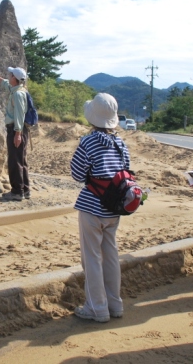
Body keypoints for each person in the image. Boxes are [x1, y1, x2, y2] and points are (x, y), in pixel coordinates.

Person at [70, 93, 128, 323]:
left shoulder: (88, 142)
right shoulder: (121, 144)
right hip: (114, 208)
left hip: (92, 206)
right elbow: (126, 171)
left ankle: (97, 307)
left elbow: (77, 174)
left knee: (92, 258)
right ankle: (115, 304)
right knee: (111, 255)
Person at [0, 65, 30, 201]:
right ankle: (25, 189)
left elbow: (19, 115)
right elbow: (6, 84)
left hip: (16, 130)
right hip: (20, 130)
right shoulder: (18, 90)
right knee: (21, 160)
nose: (8, 76)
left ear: (14, 78)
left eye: (10, 75)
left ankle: (17, 192)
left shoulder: (18, 94)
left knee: (15, 161)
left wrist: (17, 134)